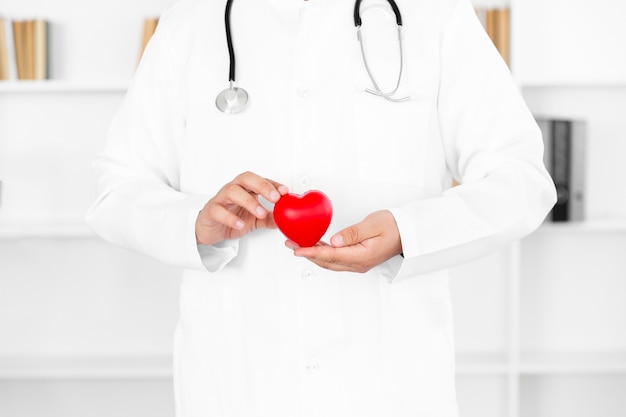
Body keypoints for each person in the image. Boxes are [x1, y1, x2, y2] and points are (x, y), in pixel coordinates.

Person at [86, 0, 556, 416]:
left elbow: (521, 182)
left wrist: (407, 232)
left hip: (391, 390)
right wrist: (197, 222)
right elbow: (117, 190)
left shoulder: (434, 16)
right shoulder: (188, 26)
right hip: (237, 388)